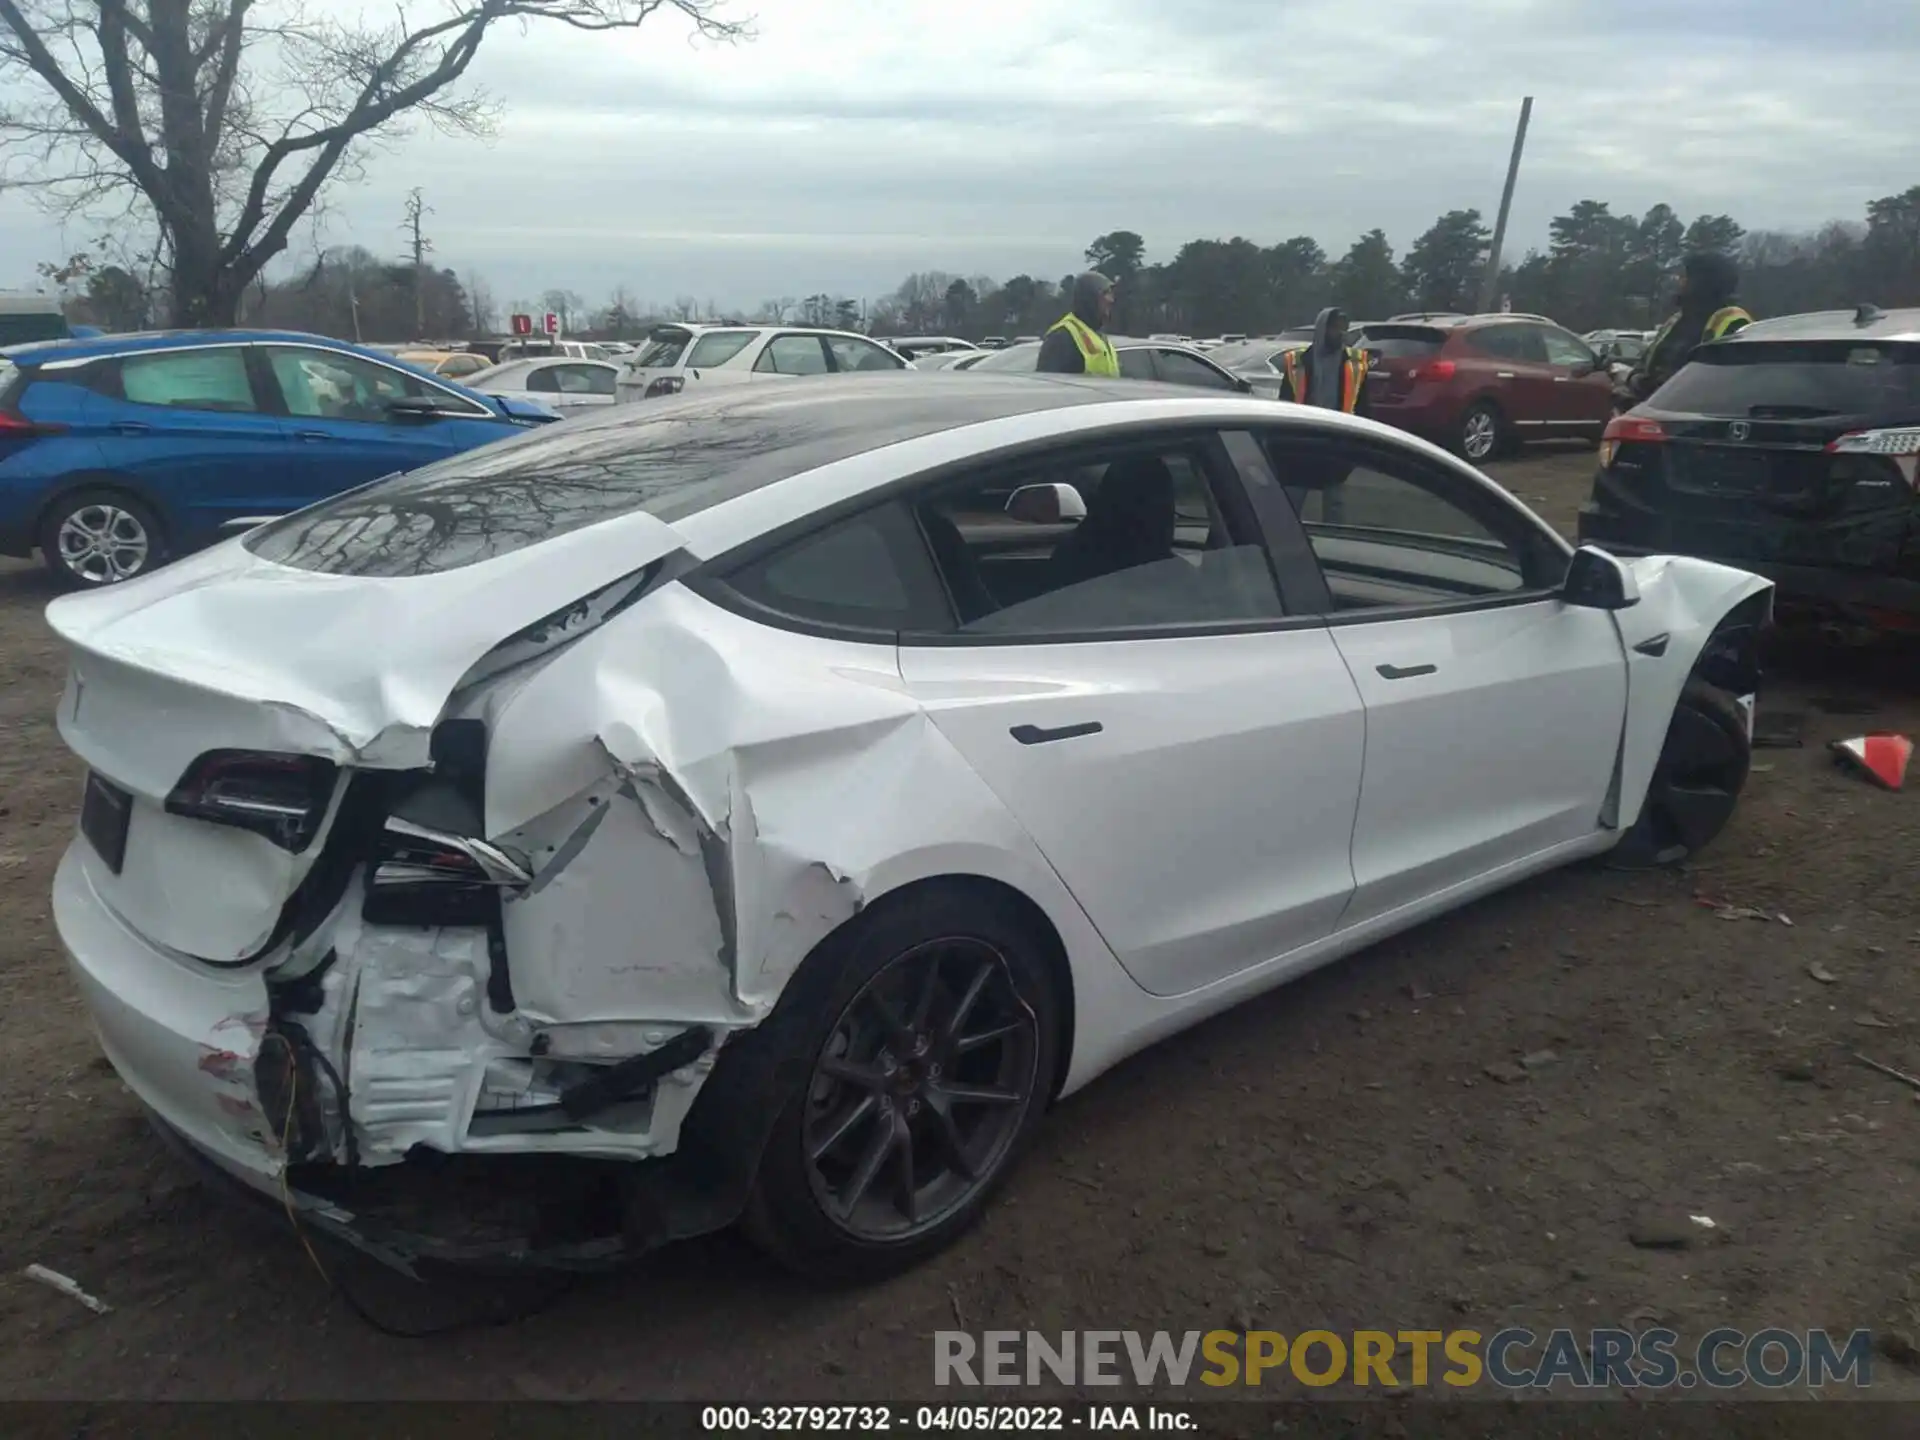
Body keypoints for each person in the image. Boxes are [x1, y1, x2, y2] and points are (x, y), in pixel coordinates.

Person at [1626, 252, 1753, 401]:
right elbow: (1645, 362)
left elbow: (1718, 379)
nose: (1680, 281)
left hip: (1695, 413)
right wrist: (1636, 379)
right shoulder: (1677, 320)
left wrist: (1658, 385)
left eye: (1686, 276)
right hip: (1656, 406)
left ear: (1702, 282)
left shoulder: (1734, 323)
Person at [1278, 307, 1371, 416]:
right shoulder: (1299, 361)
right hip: (1305, 423)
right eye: (1335, 328)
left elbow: (1363, 404)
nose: (1340, 333)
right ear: (1323, 330)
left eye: (1342, 328)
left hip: (1343, 425)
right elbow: (1285, 400)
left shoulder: (1354, 361)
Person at [1037, 272, 1119, 376]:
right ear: (1090, 299)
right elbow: (1049, 385)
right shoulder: (1061, 337)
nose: (1111, 300)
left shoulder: (1098, 335)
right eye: (1105, 294)